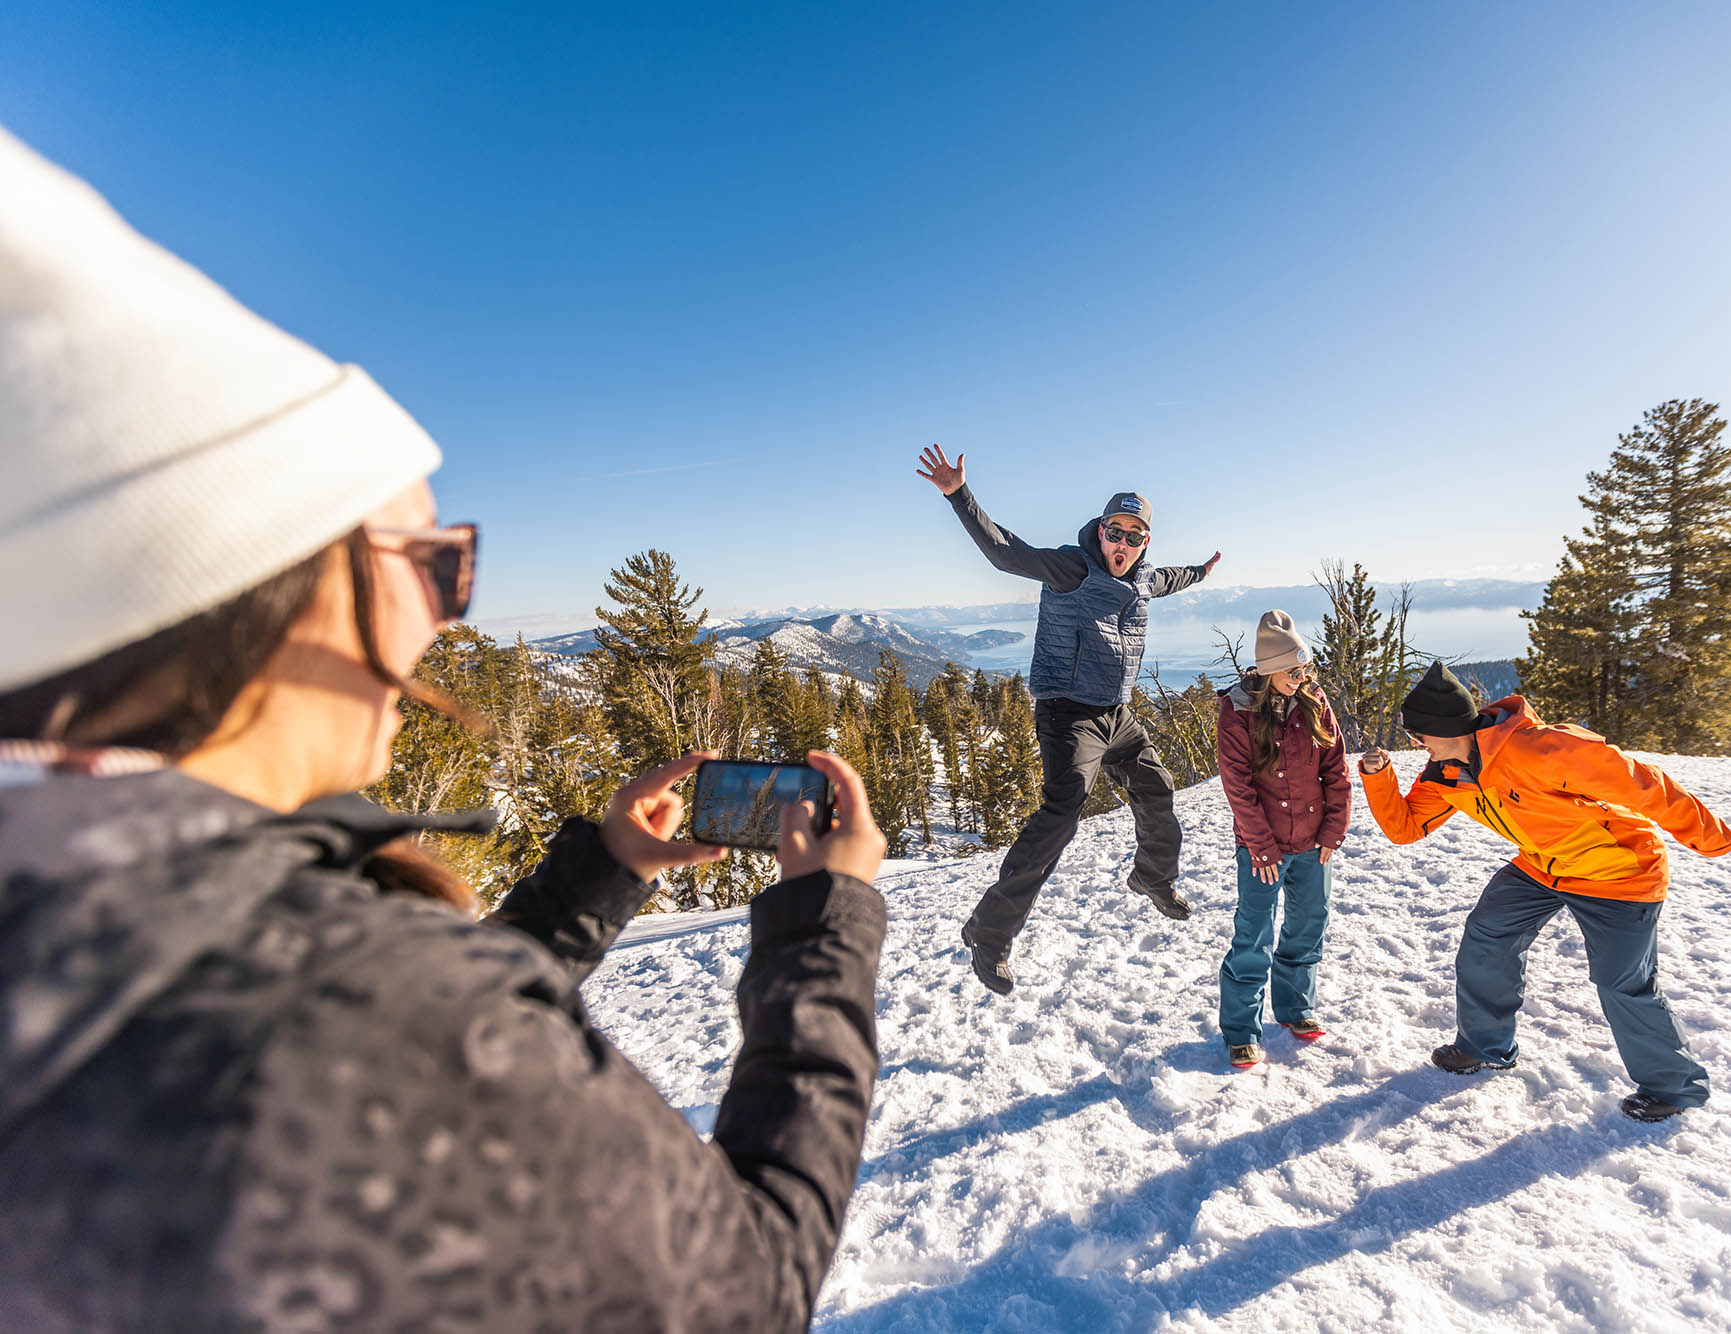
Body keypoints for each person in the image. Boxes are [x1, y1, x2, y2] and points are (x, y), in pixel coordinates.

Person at [0, 125, 887, 1332]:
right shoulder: (342, 1032)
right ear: (270, 582)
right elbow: (748, 1282)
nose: (441, 626)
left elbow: (424, 1044)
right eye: (434, 563)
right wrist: (822, 929)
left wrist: (599, 870)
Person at [1358, 661, 1731, 1122]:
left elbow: (1641, 783)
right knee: (1487, 936)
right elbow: (1406, 827)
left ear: (1447, 728)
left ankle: (1674, 1088)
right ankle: (1486, 1046)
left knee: (1622, 982)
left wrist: (1707, 836)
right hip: (1542, 866)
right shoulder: (1447, 774)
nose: (1417, 744)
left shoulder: (1541, 750)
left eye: (1420, 735)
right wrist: (1378, 778)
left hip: (1619, 872)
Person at [916, 445, 1220, 994]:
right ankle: (988, 934)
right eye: (1114, 531)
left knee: (1157, 786)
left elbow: (1170, 578)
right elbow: (1007, 553)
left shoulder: (1143, 578)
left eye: (1134, 536)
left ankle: (1152, 877)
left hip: (1116, 714)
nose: (1121, 543)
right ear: (1099, 530)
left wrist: (1200, 571)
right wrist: (959, 496)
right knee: (1061, 816)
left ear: (1144, 542)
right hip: (1067, 716)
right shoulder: (1071, 567)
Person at [1214, 611, 1351, 1069]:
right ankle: (1241, 1030)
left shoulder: (1314, 700)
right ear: (1269, 670)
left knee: (1309, 924)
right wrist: (1261, 846)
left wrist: (1333, 831)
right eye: (1293, 671)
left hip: (1314, 842)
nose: (1302, 677)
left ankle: (1295, 1008)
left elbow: (1336, 769)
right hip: (1263, 848)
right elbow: (1238, 786)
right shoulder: (1237, 711)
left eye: (1304, 668)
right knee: (1253, 936)